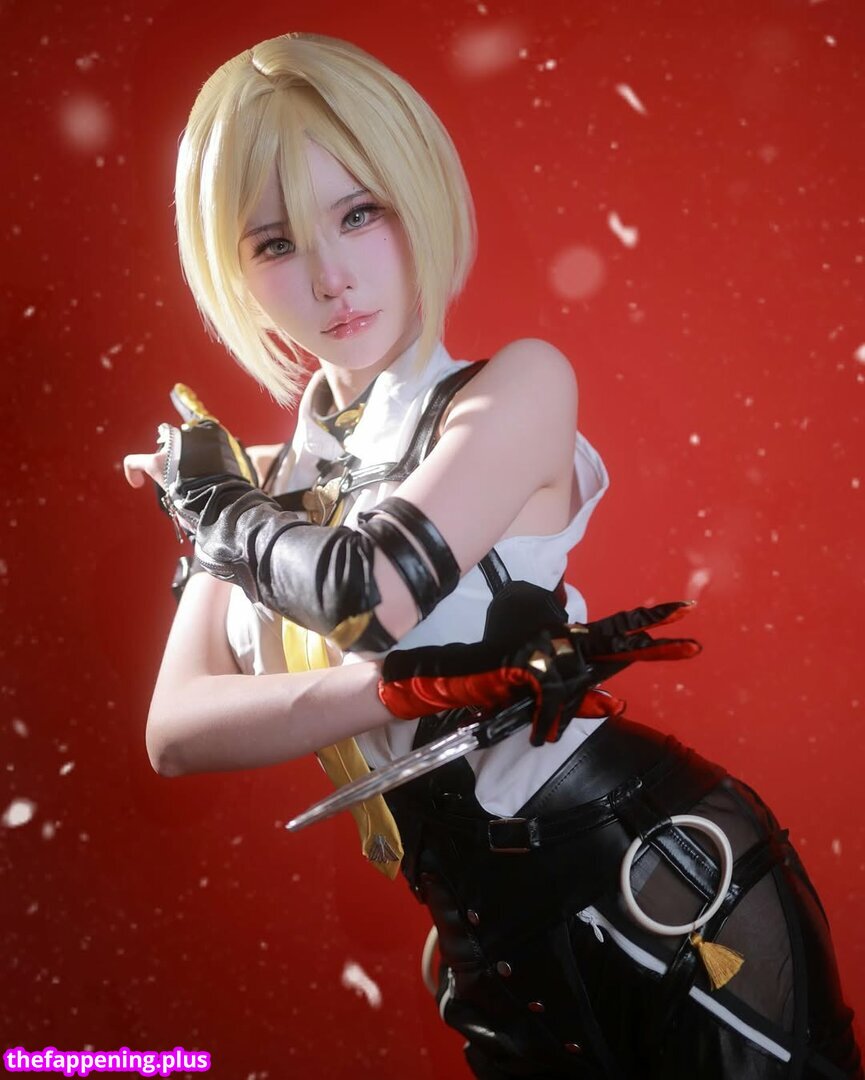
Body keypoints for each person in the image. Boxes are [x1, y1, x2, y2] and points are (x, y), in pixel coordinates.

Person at [123, 32, 861, 1080]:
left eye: (359, 212)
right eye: (275, 243)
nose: (331, 277)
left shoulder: (514, 387)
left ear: (415, 193)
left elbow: (369, 591)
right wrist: (399, 689)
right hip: (487, 931)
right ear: (231, 270)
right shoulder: (263, 485)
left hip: (655, 880)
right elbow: (179, 729)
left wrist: (212, 509)